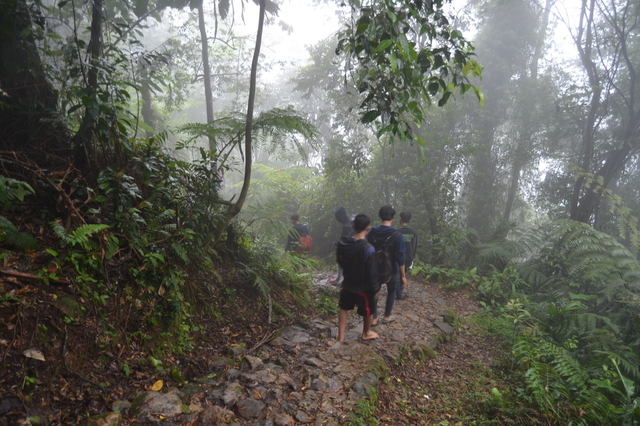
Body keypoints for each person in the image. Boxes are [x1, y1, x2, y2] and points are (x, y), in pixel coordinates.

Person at [336, 214, 381, 341]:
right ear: (368, 228)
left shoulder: (343, 244)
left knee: (344, 307)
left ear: (353, 226)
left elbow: (340, 262)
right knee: (368, 311)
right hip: (363, 287)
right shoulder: (368, 249)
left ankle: (341, 335)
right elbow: (372, 272)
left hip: (348, 283)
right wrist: (376, 289)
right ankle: (366, 333)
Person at [367, 205, 406, 325]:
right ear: (393, 217)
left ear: (380, 216)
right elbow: (400, 256)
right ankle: (387, 315)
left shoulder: (372, 231)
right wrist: (403, 275)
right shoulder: (397, 235)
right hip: (391, 268)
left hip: (374, 267)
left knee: (374, 290)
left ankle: (373, 318)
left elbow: (367, 248)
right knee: (392, 290)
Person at [397, 211, 418, 300]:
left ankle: (397, 292)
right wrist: (412, 257)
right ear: (410, 220)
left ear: (400, 219)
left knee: (397, 273)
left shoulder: (396, 231)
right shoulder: (413, 232)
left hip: (397, 256)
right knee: (403, 273)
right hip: (408, 257)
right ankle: (399, 291)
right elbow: (415, 246)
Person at [331, 207, 354, 284]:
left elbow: (347, 238)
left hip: (347, 247)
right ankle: (340, 278)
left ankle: (342, 279)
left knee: (344, 262)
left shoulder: (346, 225)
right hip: (347, 245)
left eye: (338, 216)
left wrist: (338, 243)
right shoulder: (348, 221)